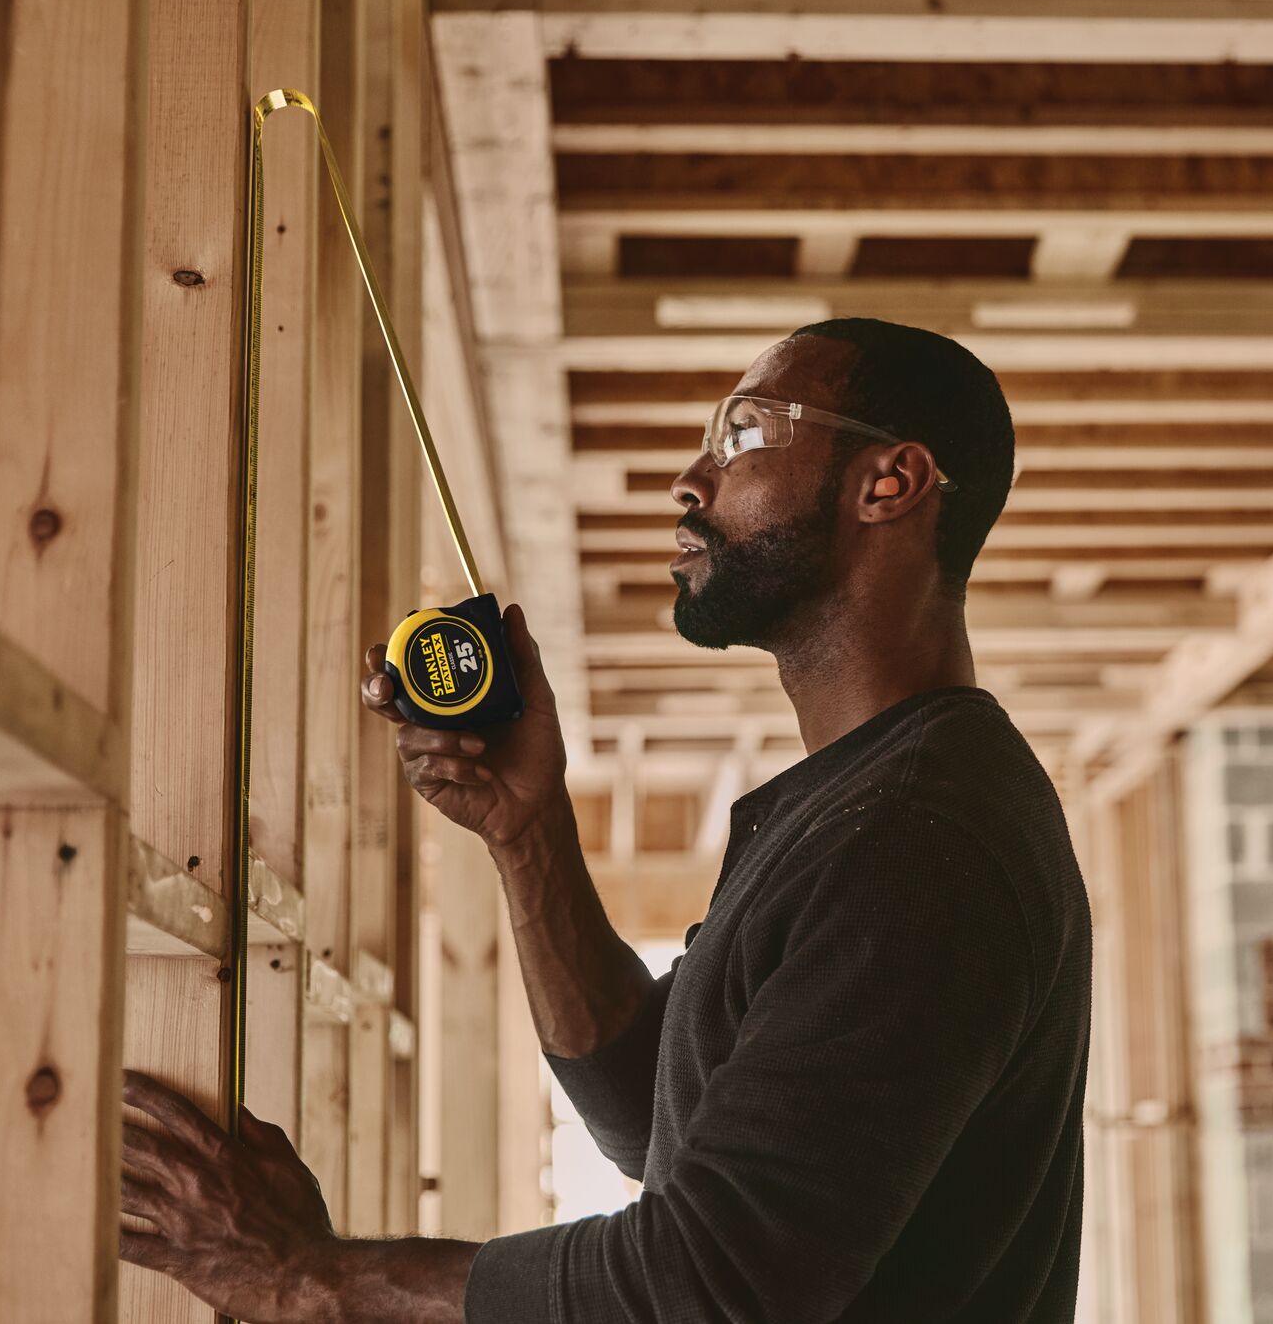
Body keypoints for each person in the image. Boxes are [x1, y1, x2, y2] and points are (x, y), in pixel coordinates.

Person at [119, 318, 1094, 1322]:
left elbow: (708, 1286)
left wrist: (307, 1275)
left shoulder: (918, 836)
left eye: (743, 433)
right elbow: (650, 1107)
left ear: (887, 483)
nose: (689, 479)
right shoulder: (867, 806)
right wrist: (527, 834)